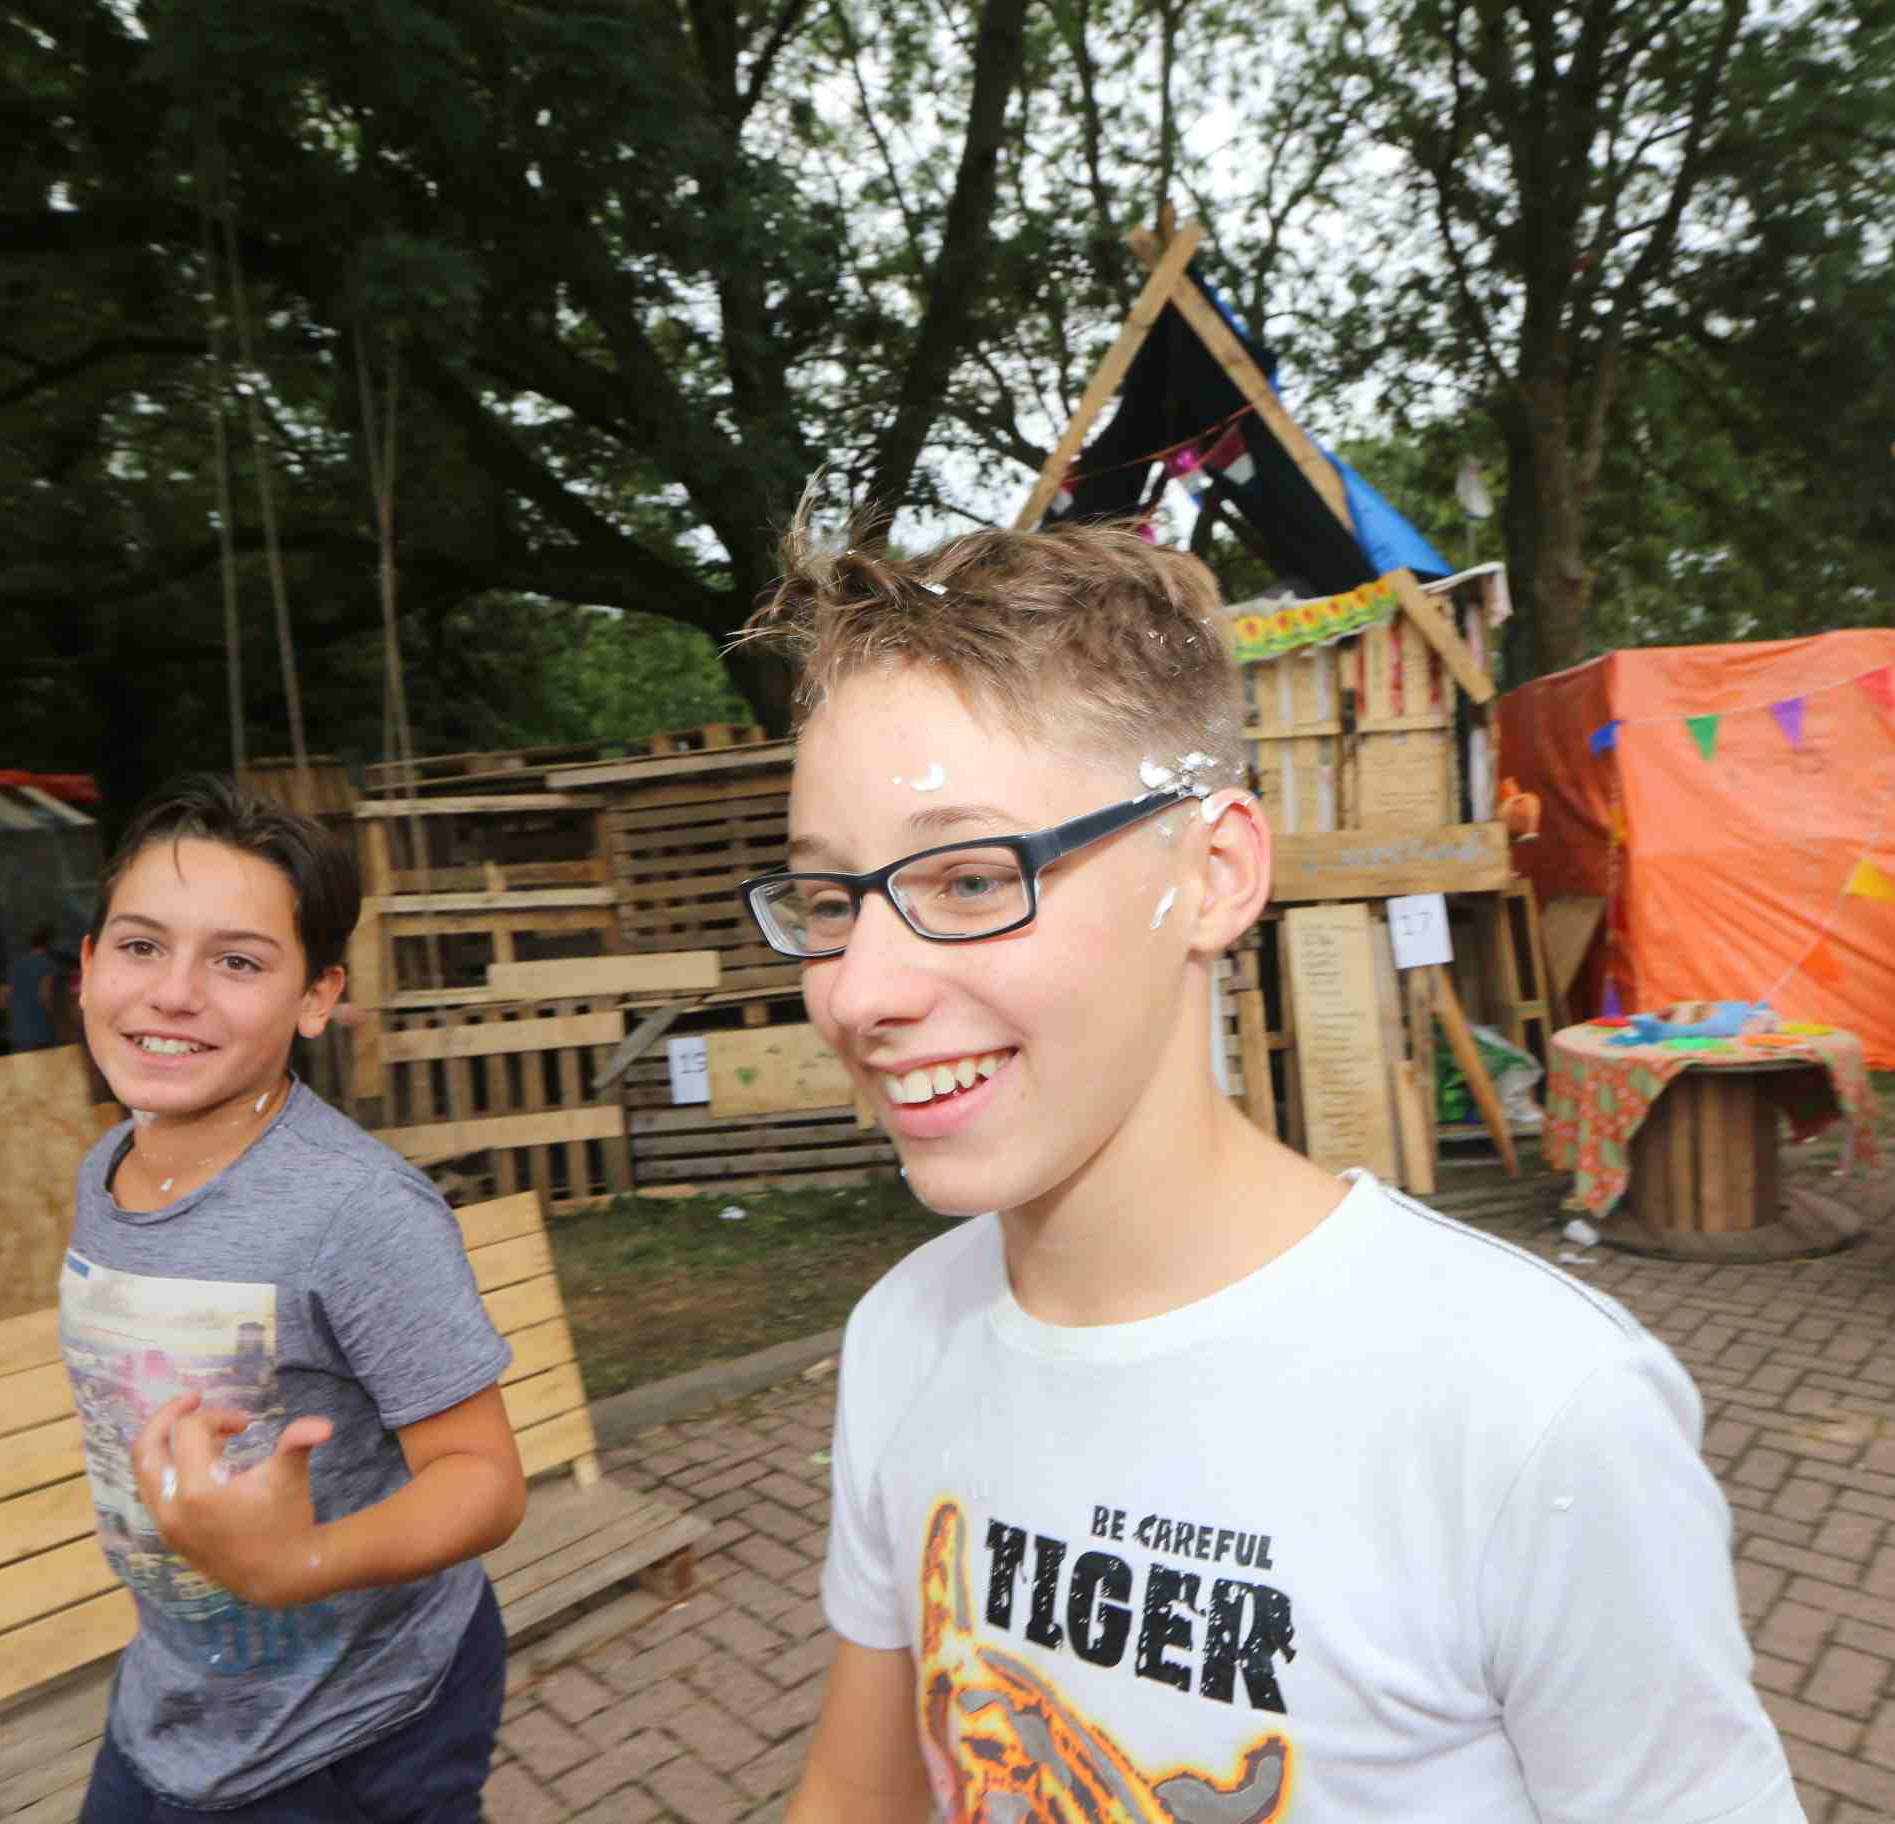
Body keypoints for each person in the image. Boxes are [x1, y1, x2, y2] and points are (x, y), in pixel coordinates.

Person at [746, 516, 1802, 1820]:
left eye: (970, 880)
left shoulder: (1533, 1411)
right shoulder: (901, 1339)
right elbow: (858, 1793)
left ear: (1216, 874)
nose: (859, 992)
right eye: (830, 902)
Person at [64, 776, 525, 1824]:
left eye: (237, 961)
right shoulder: (107, 1168)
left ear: (316, 998)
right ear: (87, 969)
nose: (174, 993)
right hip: (174, 1703)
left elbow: (485, 1481)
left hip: (359, 1728)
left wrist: (294, 1563)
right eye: (141, 946)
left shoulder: (358, 1211)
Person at [4, 923, 63, 1051]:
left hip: (19, 1032)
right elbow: (46, 996)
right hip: (43, 1031)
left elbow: (5, 997)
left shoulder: (15, 966)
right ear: (50, 943)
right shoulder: (51, 965)